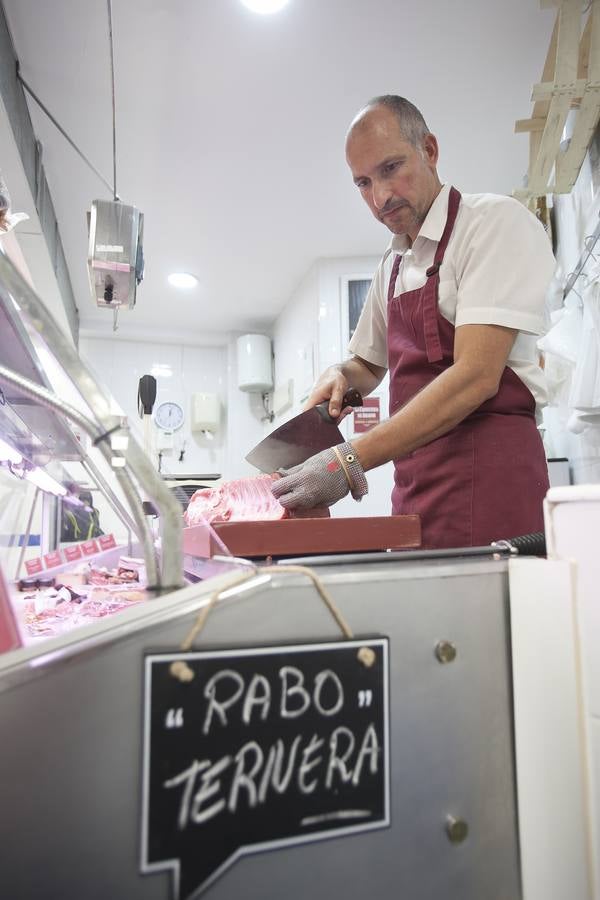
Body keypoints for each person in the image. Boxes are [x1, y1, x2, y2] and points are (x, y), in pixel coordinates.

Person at [271, 95, 556, 548]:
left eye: (390, 168)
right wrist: (340, 374)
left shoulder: (492, 224)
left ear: (430, 150)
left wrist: (349, 460)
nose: (380, 197)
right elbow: (367, 365)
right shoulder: (392, 264)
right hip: (416, 491)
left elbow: (476, 377)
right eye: (363, 183)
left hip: (492, 482)